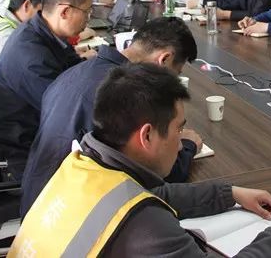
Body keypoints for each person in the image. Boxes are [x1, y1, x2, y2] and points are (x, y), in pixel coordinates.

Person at [10, 63, 271, 257]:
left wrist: (230, 194)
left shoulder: (83, 164)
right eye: (178, 129)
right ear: (147, 135)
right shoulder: (146, 225)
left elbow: (152, 195)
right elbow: (144, 210)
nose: (181, 141)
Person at [19, 17, 201, 217]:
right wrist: (187, 146)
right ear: (164, 60)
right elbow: (159, 176)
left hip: (38, 203)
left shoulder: (77, 71)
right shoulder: (127, 96)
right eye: (175, 74)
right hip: (70, 217)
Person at [0, 0, 93, 179]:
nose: (88, 18)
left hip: (34, 131)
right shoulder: (32, 56)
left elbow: (72, 69)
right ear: (65, 11)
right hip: (21, 151)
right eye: (87, 12)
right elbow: (68, 112)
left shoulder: (42, 31)